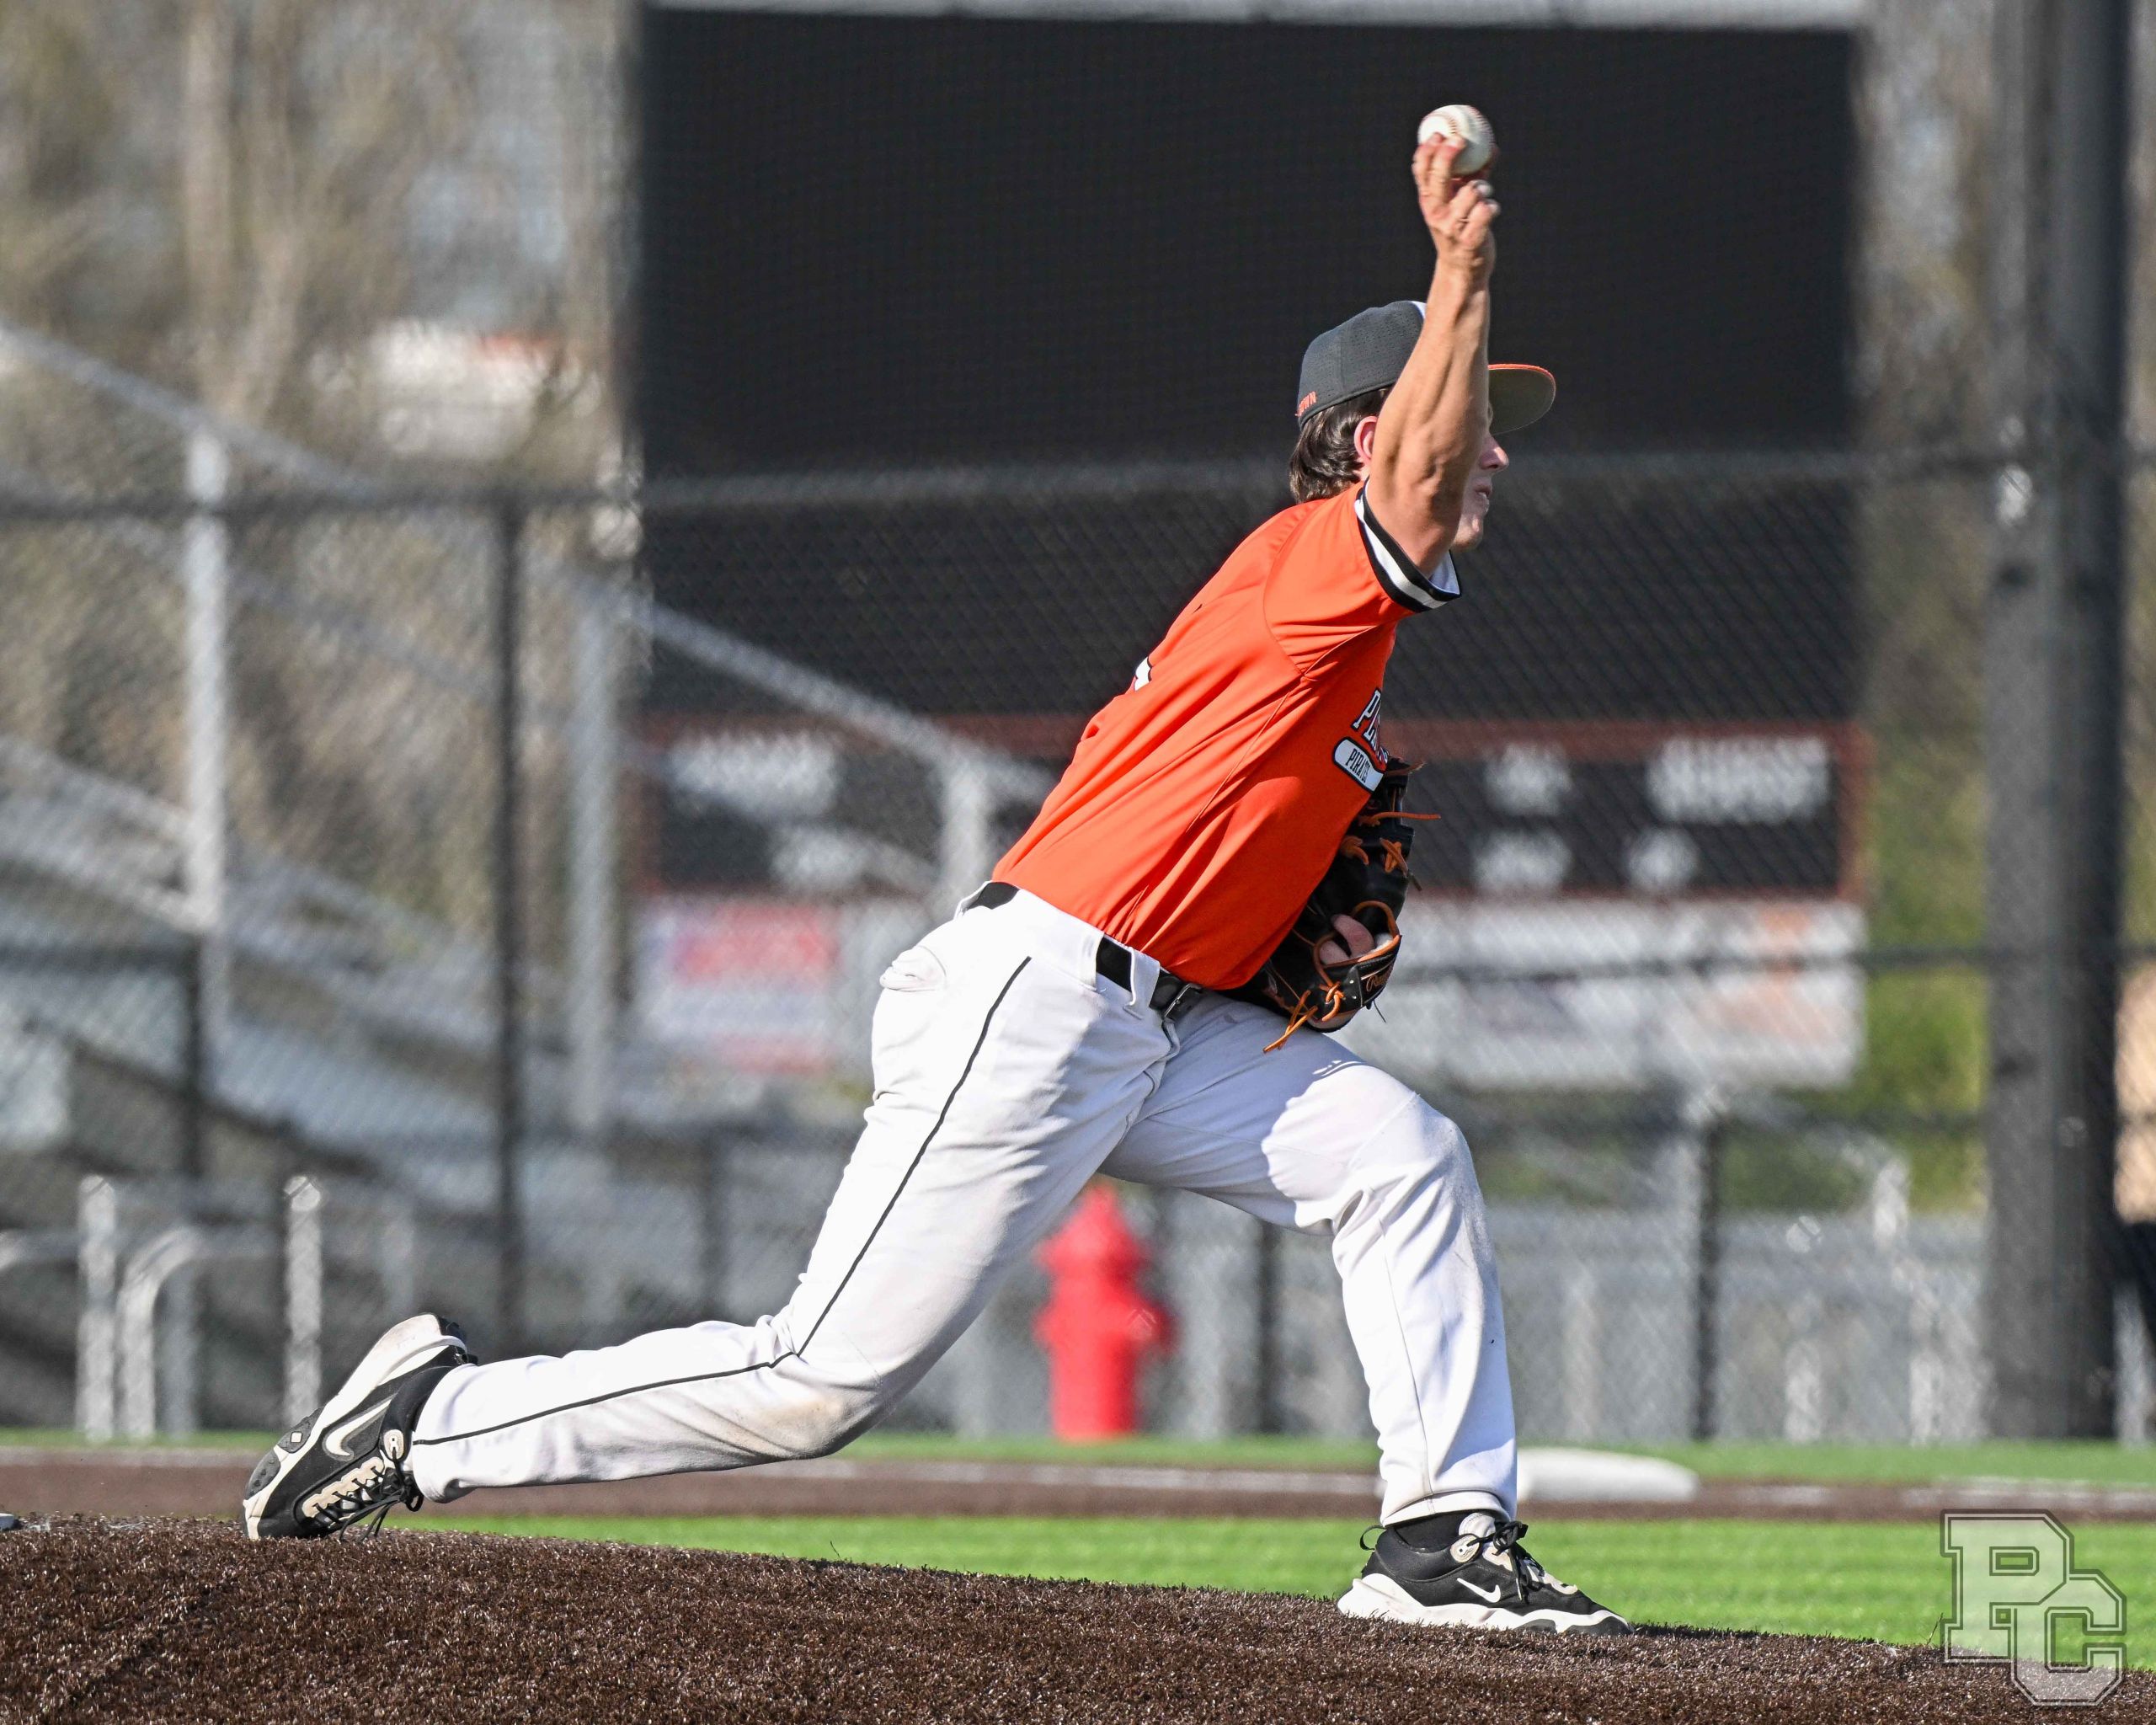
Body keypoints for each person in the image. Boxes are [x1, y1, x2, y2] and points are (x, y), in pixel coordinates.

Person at [244, 129, 1626, 1637]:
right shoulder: (1314, 566)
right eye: (1468, 413)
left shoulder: (1337, 642)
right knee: (817, 1381)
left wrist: (1271, 934)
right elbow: (1412, 492)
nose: (1494, 451)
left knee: (1401, 1155)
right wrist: (1462, 267)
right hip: (1038, 1003)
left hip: (1154, 1023)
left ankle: (1438, 1541)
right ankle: (430, 1427)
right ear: (1367, 439)